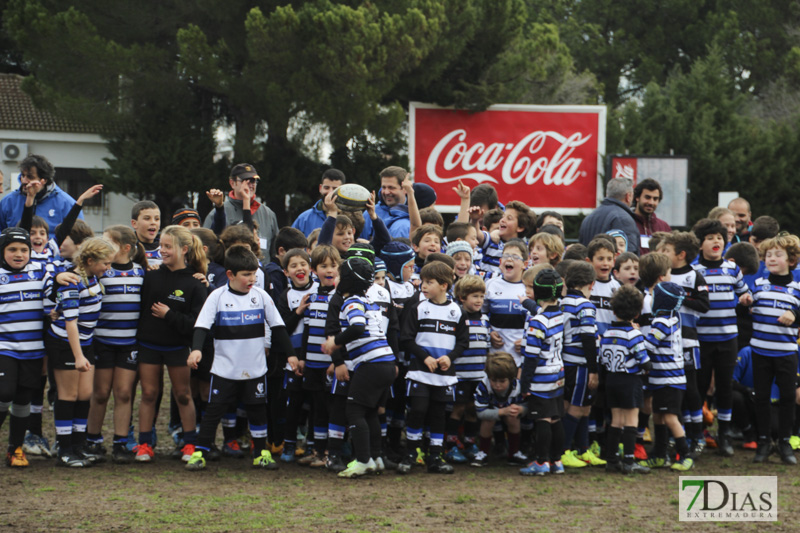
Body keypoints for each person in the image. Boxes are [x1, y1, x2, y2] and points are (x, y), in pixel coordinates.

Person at [134, 226, 207, 463]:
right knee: (149, 394)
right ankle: (144, 444)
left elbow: (197, 323)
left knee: (183, 395)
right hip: (149, 345)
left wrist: (169, 315)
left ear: (184, 249)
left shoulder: (196, 283)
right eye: (160, 246)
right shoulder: (151, 275)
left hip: (177, 348)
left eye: (167, 247)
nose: (161, 251)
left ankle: (189, 444)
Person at [322, 256, 397, 477]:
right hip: (385, 361)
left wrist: (334, 343)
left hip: (371, 363)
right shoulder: (368, 302)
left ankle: (363, 460)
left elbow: (357, 327)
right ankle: (374, 458)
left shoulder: (351, 302)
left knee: (354, 410)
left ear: (346, 280)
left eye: (339, 274)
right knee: (370, 411)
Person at [47, 237, 115, 467]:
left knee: (85, 395)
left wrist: (56, 309)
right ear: (89, 260)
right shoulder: (72, 282)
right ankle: (64, 450)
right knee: (68, 396)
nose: (108, 267)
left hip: (86, 342)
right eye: (105, 263)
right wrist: (77, 356)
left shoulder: (93, 277)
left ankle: (78, 445)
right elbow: (71, 322)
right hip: (66, 344)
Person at [398, 262, 468, 474]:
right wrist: (425, 357)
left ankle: (435, 457)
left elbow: (463, 342)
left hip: (444, 375)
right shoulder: (419, 308)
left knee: (438, 414)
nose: (424, 286)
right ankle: (411, 453)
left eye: (429, 282)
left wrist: (450, 357)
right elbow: (406, 338)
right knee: (418, 410)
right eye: (423, 282)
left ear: (444, 285)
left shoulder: (456, 311)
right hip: (420, 370)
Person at [86, 226, 148, 464]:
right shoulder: (101, 272)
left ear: (125, 248)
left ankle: (121, 442)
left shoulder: (141, 273)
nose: (103, 247)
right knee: (100, 393)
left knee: (123, 393)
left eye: (108, 243)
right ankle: (93, 440)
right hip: (102, 341)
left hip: (129, 343)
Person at [691, 218, 752, 457]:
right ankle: (696, 434)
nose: (716, 241)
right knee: (700, 386)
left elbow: (745, 296)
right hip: (702, 339)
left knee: (725, 388)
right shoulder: (694, 271)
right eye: (710, 238)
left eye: (719, 237)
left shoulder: (732, 269)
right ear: (700, 244)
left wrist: (747, 300)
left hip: (728, 339)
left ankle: (724, 433)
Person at [748, 233, 800, 465]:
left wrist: (795, 314)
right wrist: (745, 304)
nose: (772, 258)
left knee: (788, 397)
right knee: (762, 398)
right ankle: (763, 442)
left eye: (778, 255)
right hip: (760, 352)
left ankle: (785, 443)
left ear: (791, 260)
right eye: (768, 255)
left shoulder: (797, 288)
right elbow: (745, 309)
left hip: (786, 353)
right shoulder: (758, 285)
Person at [0, 228, 47, 468]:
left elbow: (61, 276)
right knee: (4, 393)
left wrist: (59, 278)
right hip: (4, 348)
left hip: (33, 350)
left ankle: (15, 448)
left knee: (22, 400)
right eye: (12, 249)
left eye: (24, 250)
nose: (19, 254)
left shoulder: (40, 271)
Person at [662, 231, 710, 457]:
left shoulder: (694, 276)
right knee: (673, 389)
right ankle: (676, 433)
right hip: (666, 342)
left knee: (691, 388)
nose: (661, 254)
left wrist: (678, 296)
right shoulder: (663, 275)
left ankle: (696, 435)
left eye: (666, 251)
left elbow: (703, 305)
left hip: (688, 340)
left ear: (680, 255)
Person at [640, 281, 694, 471]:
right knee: (658, 416)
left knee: (670, 418)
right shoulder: (674, 318)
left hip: (668, 379)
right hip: (663, 378)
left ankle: (685, 454)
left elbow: (649, 346)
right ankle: (660, 455)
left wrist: (635, 335)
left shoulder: (662, 322)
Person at [519, 269, 566, 476]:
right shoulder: (559, 314)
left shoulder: (537, 322)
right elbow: (540, 308)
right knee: (555, 418)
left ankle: (541, 461)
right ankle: (557, 461)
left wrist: (525, 384)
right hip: (558, 374)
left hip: (541, 378)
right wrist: (525, 302)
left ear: (537, 293)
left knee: (542, 420)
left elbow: (531, 356)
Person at [600, 285, 651, 475]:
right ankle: (629, 461)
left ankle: (611, 460)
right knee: (631, 420)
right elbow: (643, 360)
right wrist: (649, 367)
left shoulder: (607, 334)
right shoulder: (634, 334)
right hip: (630, 381)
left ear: (613, 311)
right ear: (637, 313)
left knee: (616, 420)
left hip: (612, 380)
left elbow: (603, 359)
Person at [559, 262, 606, 468]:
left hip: (568, 362)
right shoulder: (585, 305)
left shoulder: (563, 302)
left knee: (585, 408)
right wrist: (593, 370)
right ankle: (563, 451)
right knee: (576, 408)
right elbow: (588, 338)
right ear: (591, 284)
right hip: (579, 364)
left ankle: (582, 449)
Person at [203, 163, 279, 258]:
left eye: (253, 181)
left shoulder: (268, 214)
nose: (250, 185)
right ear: (232, 183)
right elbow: (207, 248)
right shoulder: (218, 212)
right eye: (245, 180)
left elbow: (275, 252)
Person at [0, 154, 84, 239]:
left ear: (44, 180)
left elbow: (78, 238)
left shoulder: (66, 203)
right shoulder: (8, 202)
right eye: (22, 175)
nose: (24, 181)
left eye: (30, 177)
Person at [471, 352, 527, 467]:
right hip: (491, 413)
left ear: (511, 379)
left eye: (502, 381)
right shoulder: (484, 386)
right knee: (488, 419)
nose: (497, 385)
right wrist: (502, 411)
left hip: (510, 414)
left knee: (513, 417)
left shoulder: (518, 387)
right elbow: (480, 412)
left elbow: (529, 406)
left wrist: (521, 409)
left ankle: (513, 453)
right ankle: (483, 453)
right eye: (494, 380)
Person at [579, 177, 640, 254]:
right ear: (628, 196)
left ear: (607, 194)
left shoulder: (589, 217)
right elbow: (629, 255)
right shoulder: (623, 219)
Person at [292, 169, 345, 237]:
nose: (330, 192)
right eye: (326, 188)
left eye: (335, 189)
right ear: (320, 188)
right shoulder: (304, 218)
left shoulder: (350, 217)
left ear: (343, 190)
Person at [631, 178, 671, 254]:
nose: (651, 202)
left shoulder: (664, 227)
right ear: (637, 197)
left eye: (655, 199)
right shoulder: (628, 223)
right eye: (647, 197)